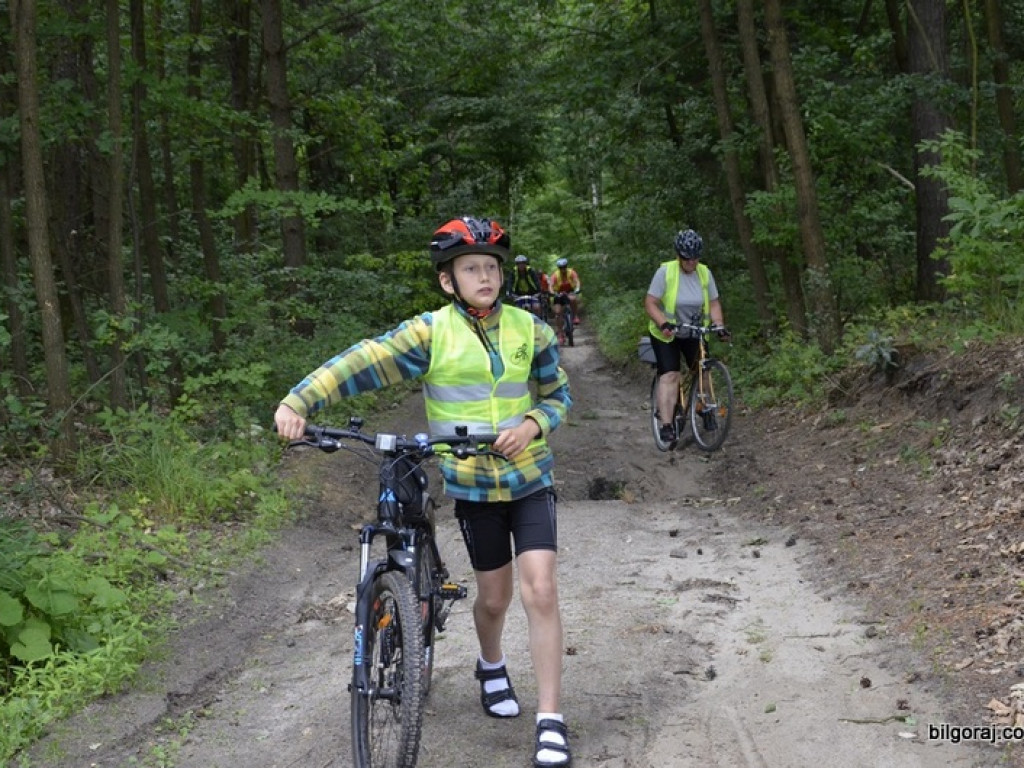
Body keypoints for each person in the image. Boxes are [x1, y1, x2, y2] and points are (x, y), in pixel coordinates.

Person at [274, 216, 574, 768]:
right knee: (494, 599)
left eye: (492, 266)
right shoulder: (433, 333)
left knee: (542, 590)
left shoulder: (533, 332)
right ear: (448, 281)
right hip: (473, 487)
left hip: (530, 479)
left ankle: (550, 718)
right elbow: (366, 359)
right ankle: (490, 664)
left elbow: (558, 395)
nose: (485, 276)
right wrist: (299, 401)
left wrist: (533, 423)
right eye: (471, 268)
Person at [643, 229, 730, 443]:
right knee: (671, 375)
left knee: (703, 370)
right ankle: (666, 424)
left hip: (694, 331)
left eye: (695, 258)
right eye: (686, 258)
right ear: (679, 256)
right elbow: (650, 303)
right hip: (667, 334)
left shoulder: (704, 273)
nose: (691, 262)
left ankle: (705, 409)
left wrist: (719, 326)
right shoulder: (666, 272)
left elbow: (714, 302)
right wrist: (662, 322)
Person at [548, 258, 581, 328]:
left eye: (564, 267)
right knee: (557, 313)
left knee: (573, 299)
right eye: (561, 268)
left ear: (566, 266)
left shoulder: (571, 272)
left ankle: (575, 316)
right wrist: (552, 293)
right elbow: (550, 286)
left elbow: (577, 281)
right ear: (558, 268)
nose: (563, 269)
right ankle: (560, 334)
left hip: (570, 291)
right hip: (558, 293)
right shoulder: (555, 275)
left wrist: (577, 288)